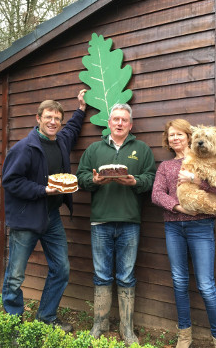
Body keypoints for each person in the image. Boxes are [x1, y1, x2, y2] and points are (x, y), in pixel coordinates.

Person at [2, 90, 87, 333]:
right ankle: (11, 324)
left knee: (61, 269)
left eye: (57, 118)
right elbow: (11, 181)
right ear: (38, 118)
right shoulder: (24, 148)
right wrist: (43, 190)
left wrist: (80, 109)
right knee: (16, 275)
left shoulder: (60, 140)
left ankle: (46, 317)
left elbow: (71, 129)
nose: (53, 122)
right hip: (27, 218)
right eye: (49, 117)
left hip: (51, 217)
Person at [76, 103, 156, 346]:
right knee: (101, 275)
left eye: (124, 120)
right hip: (100, 221)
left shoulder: (141, 149)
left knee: (126, 275)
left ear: (130, 125)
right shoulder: (94, 148)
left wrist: (135, 182)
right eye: (116, 119)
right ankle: (99, 324)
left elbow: (151, 178)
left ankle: (126, 328)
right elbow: (81, 176)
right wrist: (95, 180)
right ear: (109, 123)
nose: (120, 123)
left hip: (130, 221)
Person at [152, 119, 216, 348]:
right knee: (179, 281)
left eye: (180, 134)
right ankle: (184, 334)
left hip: (201, 227)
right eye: (171, 135)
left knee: (206, 285)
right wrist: (178, 207)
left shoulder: (207, 159)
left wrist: (196, 180)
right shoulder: (165, 167)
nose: (175, 138)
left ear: (189, 136)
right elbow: (156, 194)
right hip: (174, 227)